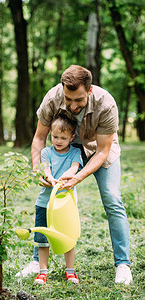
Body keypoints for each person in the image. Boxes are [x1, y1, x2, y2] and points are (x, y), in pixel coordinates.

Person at [16, 65, 132, 285]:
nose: (72, 105)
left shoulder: (106, 104)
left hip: (97, 149)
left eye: (78, 99)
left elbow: (102, 151)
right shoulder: (52, 98)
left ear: (89, 91)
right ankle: (37, 263)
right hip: (64, 148)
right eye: (68, 100)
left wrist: (78, 176)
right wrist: (38, 168)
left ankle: (123, 264)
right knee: (47, 200)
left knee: (112, 198)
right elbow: (39, 138)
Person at [33, 114, 83, 284]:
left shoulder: (76, 152)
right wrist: (50, 178)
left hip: (65, 205)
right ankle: (42, 271)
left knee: (67, 237)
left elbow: (74, 169)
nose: (58, 141)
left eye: (63, 137)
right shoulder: (46, 152)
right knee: (42, 239)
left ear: (72, 137)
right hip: (44, 204)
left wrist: (62, 179)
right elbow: (46, 169)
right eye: (55, 137)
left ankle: (70, 271)